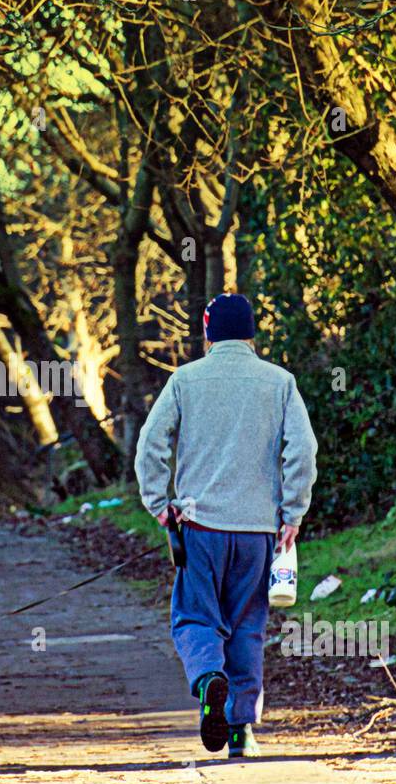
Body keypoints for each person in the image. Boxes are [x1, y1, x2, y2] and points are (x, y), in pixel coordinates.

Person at [134, 292, 317, 758]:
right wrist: (292, 512)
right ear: (252, 333)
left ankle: (207, 678)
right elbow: (303, 451)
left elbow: (150, 445)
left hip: (199, 527)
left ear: (207, 329)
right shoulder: (280, 383)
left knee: (196, 617)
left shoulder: (185, 380)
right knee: (247, 626)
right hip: (257, 531)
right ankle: (241, 731)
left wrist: (159, 504)